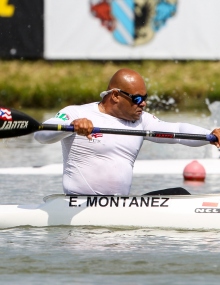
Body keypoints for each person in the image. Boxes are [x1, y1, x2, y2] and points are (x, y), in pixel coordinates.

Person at [34, 68, 220, 196]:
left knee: (180, 194)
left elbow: (178, 131)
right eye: (137, 98)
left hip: (120, 207)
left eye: (145, 98)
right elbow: (41, 135)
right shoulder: (76, 113)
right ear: (115, 96)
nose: (143, 103)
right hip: (76, 204)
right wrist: (72, 126)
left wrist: (210, 135)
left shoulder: (142, 120)